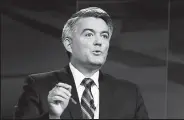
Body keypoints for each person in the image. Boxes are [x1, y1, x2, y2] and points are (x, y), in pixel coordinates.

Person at [15, 7, 149, 119]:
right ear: (69, 44)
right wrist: (52, 116)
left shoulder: (130, 93)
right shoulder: (38, 86)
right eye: (89, 34)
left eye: (104, 36)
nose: (99, 42)